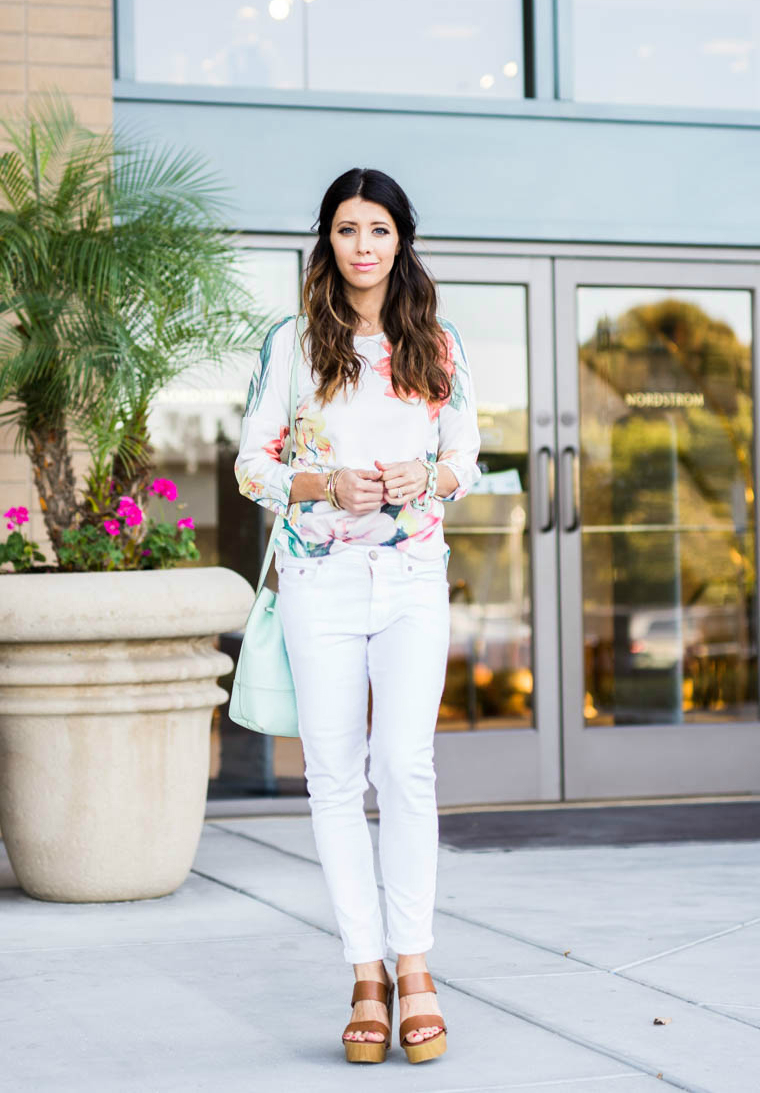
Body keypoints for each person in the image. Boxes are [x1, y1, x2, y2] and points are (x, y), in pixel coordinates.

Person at [234, 167, 481, 1064]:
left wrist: (433, 477)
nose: (364, 246)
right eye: (347, 229)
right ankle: (365, 972)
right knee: (333, 776)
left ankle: (416, 968)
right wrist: (319, 482)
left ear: (401, 240)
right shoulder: (294, 344)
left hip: (413, 577)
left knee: (404, 767)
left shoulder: (438, 343)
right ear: (328, 241)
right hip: (320, 585)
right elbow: (249, 467)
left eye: (379, 230)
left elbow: (469, 454)